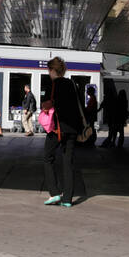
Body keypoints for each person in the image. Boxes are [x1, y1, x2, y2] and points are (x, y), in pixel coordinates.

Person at [41, 57, 85, 207]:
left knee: (48, 157)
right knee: (68, 162)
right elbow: (79, 106)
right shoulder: (73, 84)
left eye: (49, 70)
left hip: (57, 128)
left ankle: (54, 193)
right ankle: (67, 199)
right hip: (72, 129)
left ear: (53, 70)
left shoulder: (53, 85)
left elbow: (46, 105)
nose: (48, 73)